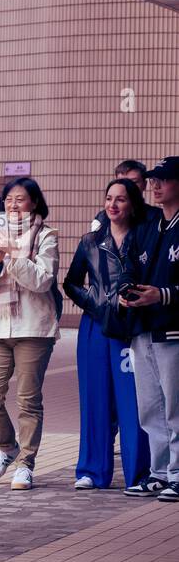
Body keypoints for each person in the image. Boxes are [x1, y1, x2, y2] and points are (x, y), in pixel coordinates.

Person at [0, 176, 61, 491]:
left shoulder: (47, 236)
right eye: (9, 199)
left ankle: (26, 464)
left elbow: (43, 281)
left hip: (34, 327)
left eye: (20, 199)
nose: (13, 204)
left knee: (28, 400)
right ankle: (7, 447)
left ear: (34, 202)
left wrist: (15, 256)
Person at [64, 179, 150, 490]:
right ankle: (91, 470)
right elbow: (71, 283)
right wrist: (99, 305)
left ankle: (139, 473)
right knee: (94, 399)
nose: (113, 205)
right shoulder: (90, 241)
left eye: (122, 199)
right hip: (95, 327)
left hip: (131, 328)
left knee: (133, 402)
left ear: (133, 204)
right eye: (109, 198)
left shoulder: (144, 239)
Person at [120, 156, 179, 502]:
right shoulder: (149, 226)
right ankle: (159, 473)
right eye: (152, 180)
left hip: (172, 330)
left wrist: (164, 295)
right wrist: (127, 292)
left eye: (163, 179)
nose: (154, 185)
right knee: (150, 407)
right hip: (143, 329)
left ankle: (177, 473)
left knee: (175, 406)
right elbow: (129, 266)